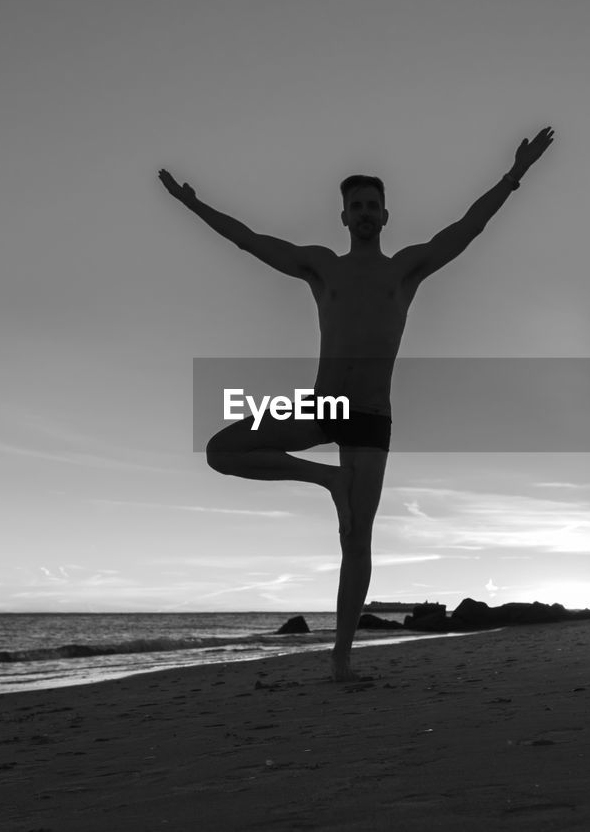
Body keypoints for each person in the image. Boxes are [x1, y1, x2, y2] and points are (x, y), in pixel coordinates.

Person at [158, 127, 554, 680]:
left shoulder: (405, 269)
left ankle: (341, 659)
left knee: (356, 541)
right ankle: (325, 480)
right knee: (221, 450)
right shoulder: (322, 266)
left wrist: (516, 174)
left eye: (373, 205)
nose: (365, 212)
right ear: (343, 217)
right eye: (356, 206)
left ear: (385, 216)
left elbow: (469, 227)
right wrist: (191, 204)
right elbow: (249, 240)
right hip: (324, 407)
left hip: (371, 418)